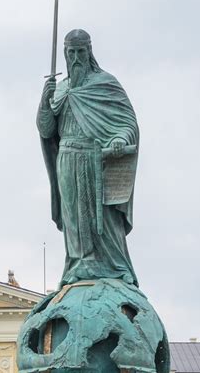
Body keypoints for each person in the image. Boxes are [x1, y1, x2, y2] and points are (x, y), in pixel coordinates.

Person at [37, 29, 139, 287]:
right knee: (74, 217)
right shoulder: (58, 90)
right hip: (67, 159)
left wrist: (119, 139)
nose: (76, 58)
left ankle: (117, 267)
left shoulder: (105, 83)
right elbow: (46, 129)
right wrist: (43, 100)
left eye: (81, 51)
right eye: (71, 52)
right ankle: (78, 266)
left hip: (96, 159)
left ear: (89, 51)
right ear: (64, 54)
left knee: (102, 218)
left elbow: (128, 123)